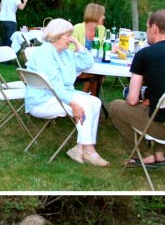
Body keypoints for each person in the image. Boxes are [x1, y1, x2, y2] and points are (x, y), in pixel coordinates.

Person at [110, 10, 165, 167]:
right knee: (161, 108)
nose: (146, 32)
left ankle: (142, 155)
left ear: (154, 28)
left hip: (163, 129)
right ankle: (159, 152)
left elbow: (132, 99)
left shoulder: (144, 54)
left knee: (116, 106)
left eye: (147, 28)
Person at [25, 18, 106, 167]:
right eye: (68, 35)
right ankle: (89, 150)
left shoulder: (65, 53)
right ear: (56, 35)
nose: (71, 39)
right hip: (42, 100)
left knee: (95, 101)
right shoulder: (45, 52)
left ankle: (80, 147)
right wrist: (72, 103)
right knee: (85, 104)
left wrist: (78, 45)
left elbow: (87, 63)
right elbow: (54, 85)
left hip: (58, 96)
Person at [72, 2, 106, 97]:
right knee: (97, 75)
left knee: (98, 74)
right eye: (102, 15)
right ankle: (87, 97)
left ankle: (88, 98)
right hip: (77, 66)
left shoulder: (102, 29)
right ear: (95, 15)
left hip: (93, 63)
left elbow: (102, 48)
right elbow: (69, 52)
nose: (104, 17)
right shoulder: (76, 29)